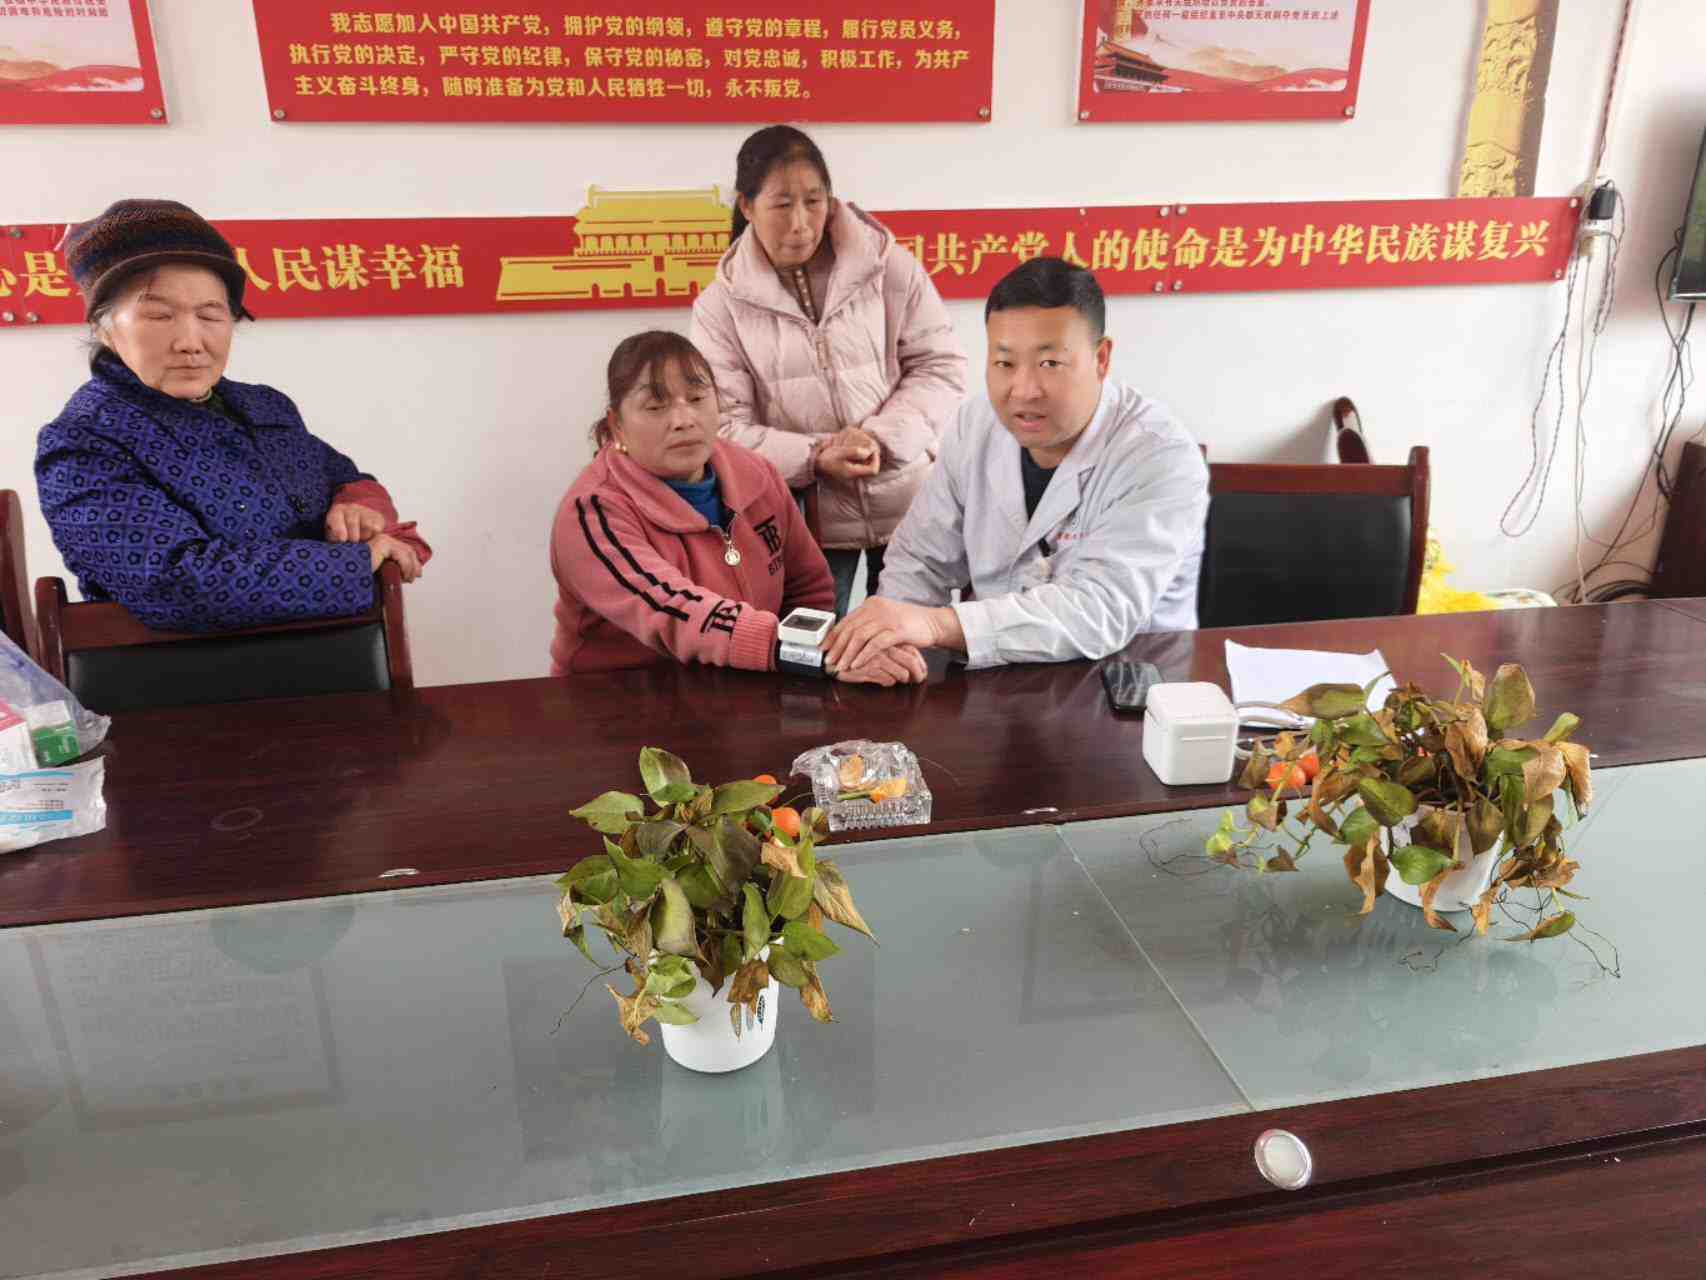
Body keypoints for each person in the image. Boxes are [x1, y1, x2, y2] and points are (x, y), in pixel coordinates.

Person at [37, 199, 430, 634]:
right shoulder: (82, 442)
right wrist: (356, 560)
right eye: (159, 315)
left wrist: (359, 505)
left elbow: (344, 476)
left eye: (211, 314)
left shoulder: (264, 405)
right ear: (104, 328)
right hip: (193, 668)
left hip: (335, 650)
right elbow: (174, 583)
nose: (191, 342)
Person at [824, 257, 1209, 674]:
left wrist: (935, 625)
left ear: (1101, 359)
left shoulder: (1160, 455)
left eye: (1050, 364)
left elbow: (1100, 610)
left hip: (1123, 682)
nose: (1024, 391)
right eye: (1005, 363)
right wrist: (890, 641)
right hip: (997, 680)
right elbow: (919, 560)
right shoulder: (976, 425)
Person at [690, 124, 968, 617]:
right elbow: (724, 426)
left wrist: (879, 439)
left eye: (813, 201)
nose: (800, 223)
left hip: (910, 503)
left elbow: (940, 366)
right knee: (813, 651)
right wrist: (816, 456)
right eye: (782, 204)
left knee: (911, 645)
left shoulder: (888, 266)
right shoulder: (720, 307)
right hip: (806, 522)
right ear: (746, 206)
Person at [550, 330, 925, 685]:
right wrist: (811, 655)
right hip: (620, 702)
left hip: (749, 689)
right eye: (655, 406)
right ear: (616, 425)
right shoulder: (593, 513)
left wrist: (824, 658)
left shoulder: (756, 473)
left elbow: (808, 587)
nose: (683, 420)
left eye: (697, 399)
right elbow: (674, 610)